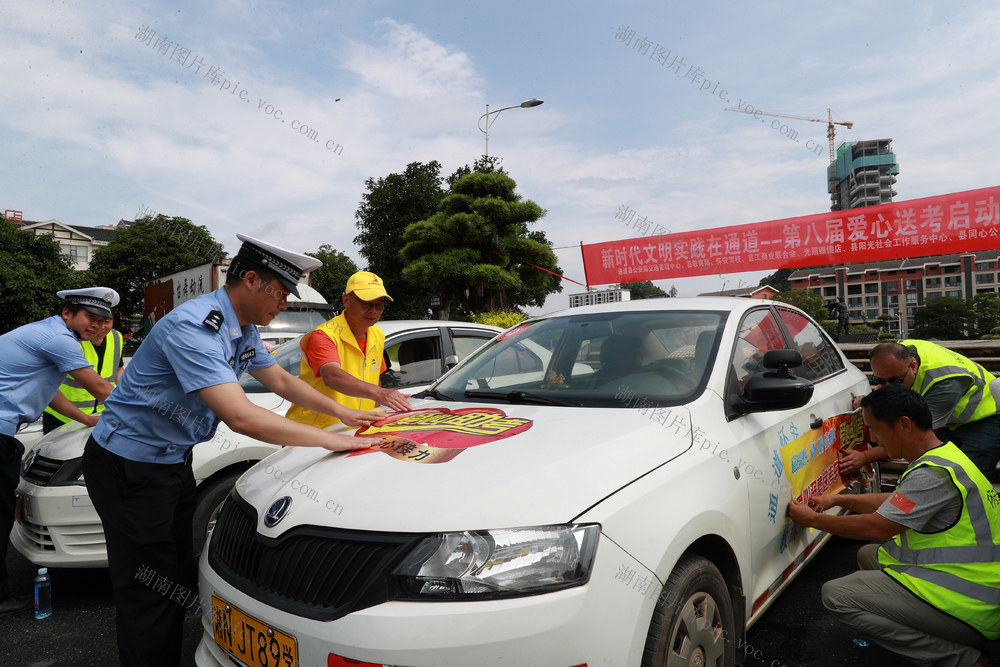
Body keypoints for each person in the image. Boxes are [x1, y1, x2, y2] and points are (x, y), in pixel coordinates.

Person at [81, 235, 385, 666]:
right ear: (251, 280)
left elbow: (279, 380)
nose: (283, 304)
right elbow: (241, 416)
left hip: (170, 461)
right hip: (130, 466)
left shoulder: (242, 329)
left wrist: (343, 413)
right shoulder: (195, 327)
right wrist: (331, 439)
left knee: (175, 572)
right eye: (280, 293)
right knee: (146, 584)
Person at [788, 385, 999, 667]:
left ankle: (965, 660)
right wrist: (833, 500)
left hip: (972, 606)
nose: (873, 439)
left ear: (904, 425)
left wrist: (813, 520)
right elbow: (897, 501)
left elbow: (877, 528)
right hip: (975, 586)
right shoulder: (945, 457)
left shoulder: (932, 474)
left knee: (837, 596)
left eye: (874, 429)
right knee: (869, 555)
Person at [0, 287, 118, 615]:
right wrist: (152, 415)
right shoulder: (59, 339)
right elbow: (98, 387)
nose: (97, 326)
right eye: (91, 319)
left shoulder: (46, 334)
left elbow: (50, 393)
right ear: (68, 314)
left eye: (103, 321)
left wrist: (85, 418)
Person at [843, 340, 1000, 480]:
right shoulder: (901, 351)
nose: (888, 387)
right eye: (879, 380)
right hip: (947, 419)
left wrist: (865, 456)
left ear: (913, 366)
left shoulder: (945, 383)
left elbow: (913, 437)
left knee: (970, 478)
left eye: (896, 381)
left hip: (984, 419)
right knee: (936, 472)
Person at [286, 270, 411, 428]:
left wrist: (378, 409)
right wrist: (380, 394)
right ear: (346, 300)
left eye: (379, 305)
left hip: (354, 428)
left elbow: (374, 377)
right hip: (313, 431)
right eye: (366, 303)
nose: (373, 310)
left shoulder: (377, 334)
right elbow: (332, 376)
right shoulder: (325, 335)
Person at [42, 310, 125, 433]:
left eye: (106, 321)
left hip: (99, 414)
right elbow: (98, 386)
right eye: (95, 320)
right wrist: (129, 406)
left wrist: (127, 391)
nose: (101, 326)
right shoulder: (69, 341)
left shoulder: (116, 337)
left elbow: (118, 369)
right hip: (62, 415)